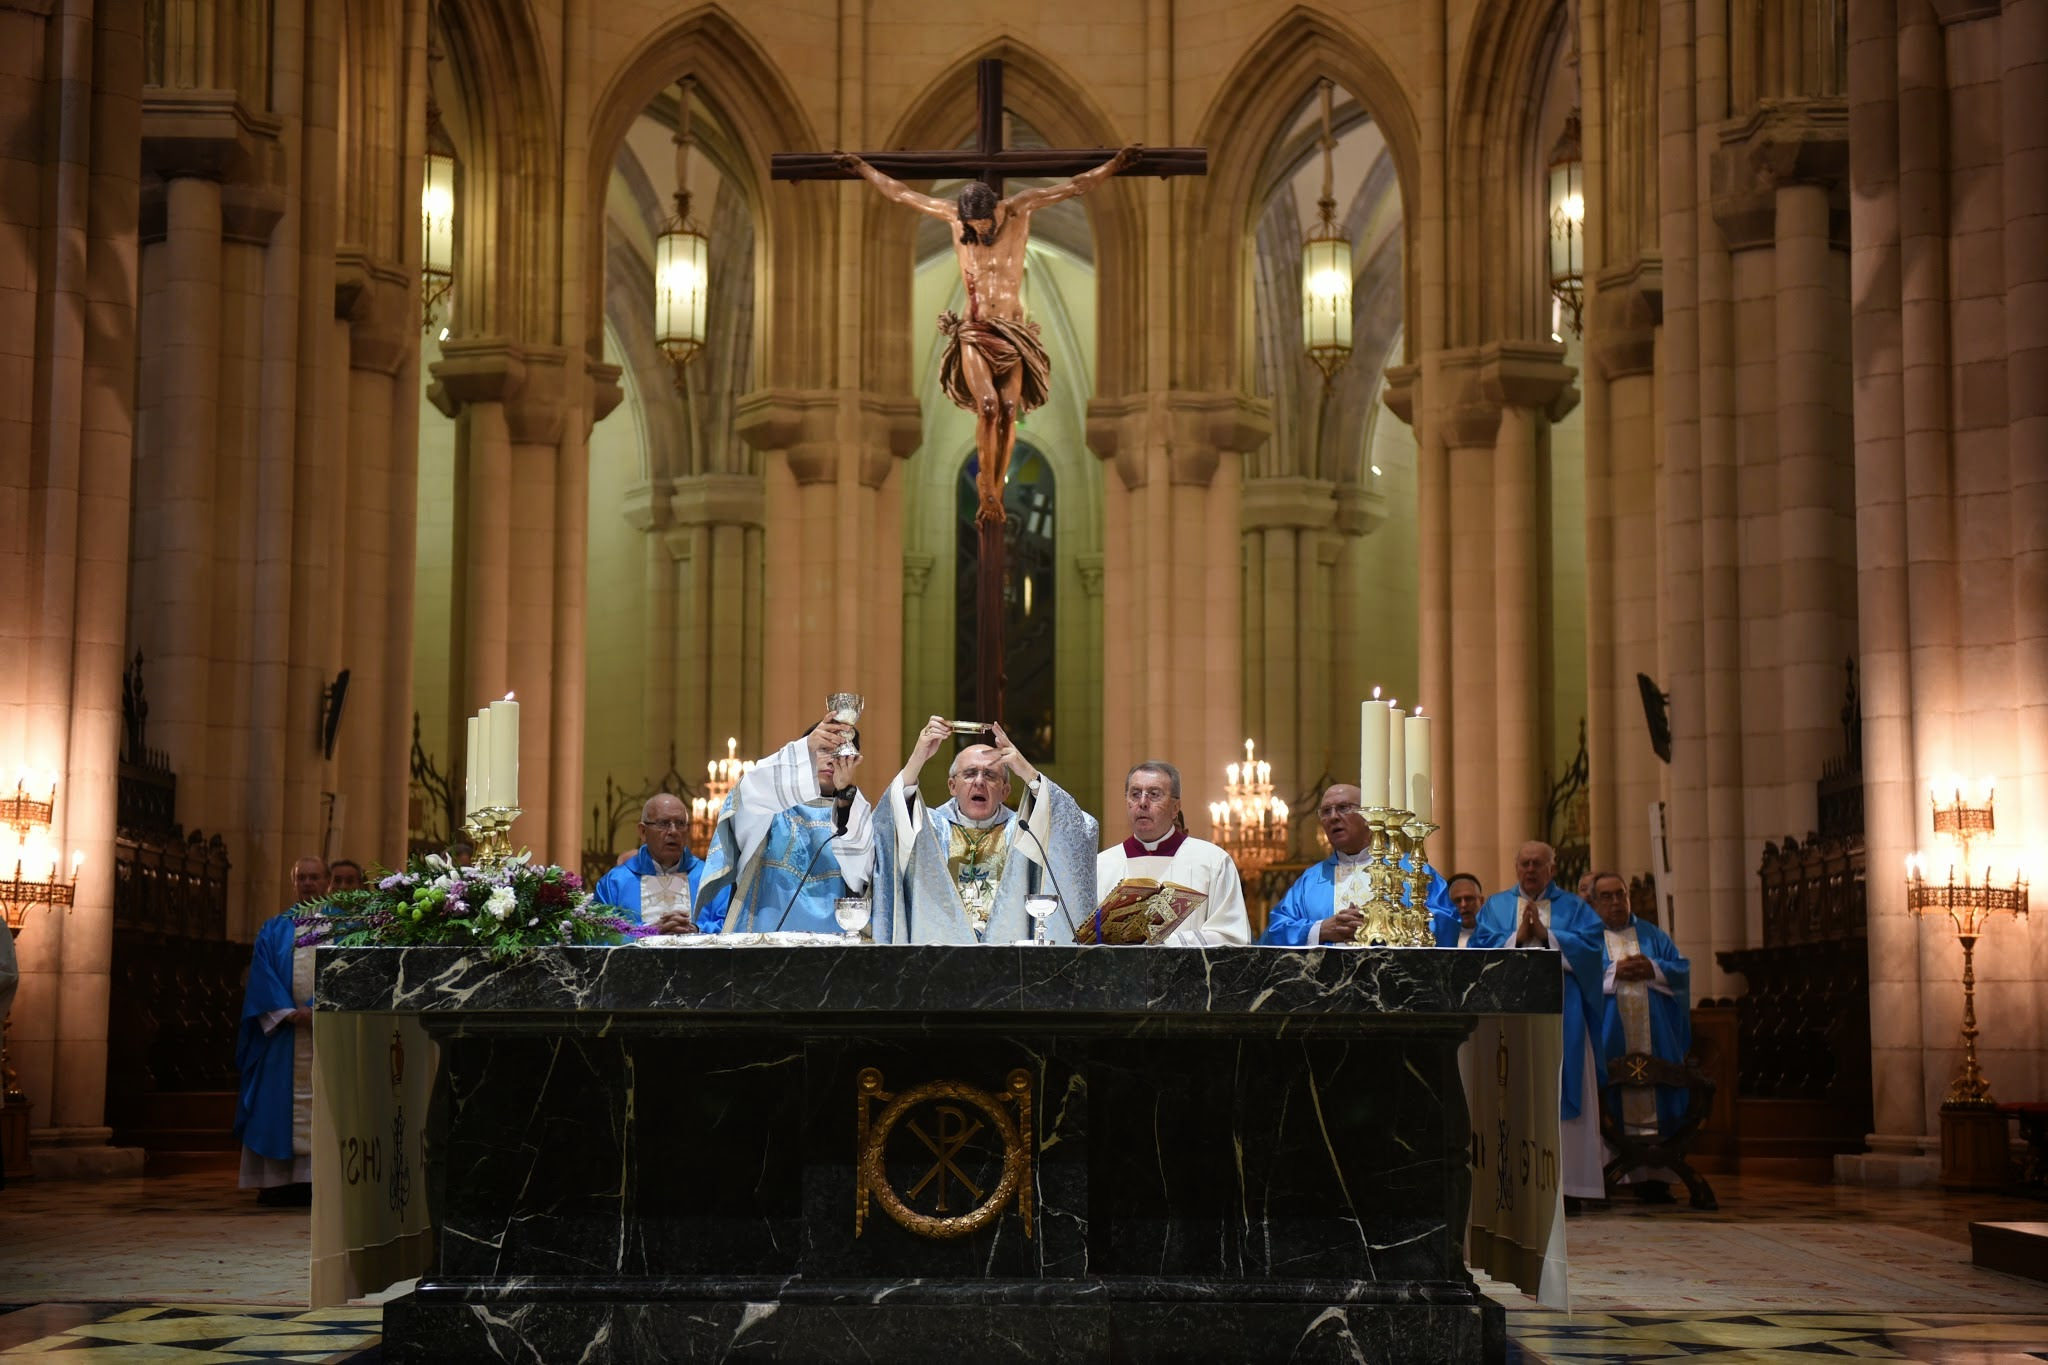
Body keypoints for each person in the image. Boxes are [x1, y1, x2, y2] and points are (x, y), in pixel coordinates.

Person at [837, 145, 1137, 523]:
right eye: (970, 227)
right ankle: (986, 489)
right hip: (975, 329)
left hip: (1012, 332)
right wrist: (863, 169)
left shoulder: (1019, 209)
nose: (975, 233)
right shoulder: (955, 218)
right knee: (989, 407)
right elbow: (903, 194)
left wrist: (1114, 165)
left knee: (1011, 409)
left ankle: (998, 484)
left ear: (992, 211)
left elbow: (1075, 186)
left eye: (980, 226)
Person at [874, 717, 1098, 944]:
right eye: (970, 773)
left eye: (990, 775)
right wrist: (918, 757)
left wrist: (1028, 772)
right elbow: (889, 823)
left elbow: (1076, 830)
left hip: (1009, 960)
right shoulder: (930, 829)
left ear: (1005, 790)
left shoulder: (1023, 830)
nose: (979, 782)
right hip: (939, 960)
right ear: (952, 786)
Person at [1470, 840, 1607, 1207]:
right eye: (1525, 864)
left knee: (1564, 1087)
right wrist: (1517, 937)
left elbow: (1594, 951)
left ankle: (1571, 1187)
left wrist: (1547, 936)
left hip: (1566, 1019)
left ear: (1552, 868)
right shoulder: (1497, 907)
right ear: (1516, 867)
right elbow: (1478, 952)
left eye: (1538, 864)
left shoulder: (1576, 909)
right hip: (1508, 1020)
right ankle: (1511, 1180)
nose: (1530, 870)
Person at [694, 714, 873, 935]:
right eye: (824, 749)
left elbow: (859, 877)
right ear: (805, 755)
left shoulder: (856, 813)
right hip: (764, 941)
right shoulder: (770, 807)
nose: (831, 761)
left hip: (832, 946)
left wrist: (846, 798)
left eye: (841, 755)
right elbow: (750, 791)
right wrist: (805, 746)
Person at [1588, 871, 1693, 1202]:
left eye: (1620, 894)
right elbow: (1577, 976)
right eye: (1606, 896)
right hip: (1609, 1040)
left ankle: (1656, 1179)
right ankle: (1613, 1178)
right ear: (1592, 902)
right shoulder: (1587, 938)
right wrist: (1613, 971)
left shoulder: (1653, 935)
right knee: (1609, 1099)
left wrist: (1654, 969)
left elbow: (1681, 970)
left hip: (1657, 1040)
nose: (1616, 902)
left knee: (1659, 1092)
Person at [234, 854, 327, 1206]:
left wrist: (317, 1009)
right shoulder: (274, 928)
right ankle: (277, 1183)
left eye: (314, 877)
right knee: (274, 1105)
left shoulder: (345, 929)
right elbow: (262, 974)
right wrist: (288, 1012)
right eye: (301, 877)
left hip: (325, 1036)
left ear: (326, 882)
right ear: (294, 882)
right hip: (282, 1033)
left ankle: (320, 1182)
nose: (307, 883)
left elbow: (346, 968)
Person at [1257, 784, 1449, 946]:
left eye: (1343, 808)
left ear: (1369, 818)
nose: (1333, 817)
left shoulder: (1412, 869)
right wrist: (1320, 930)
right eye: (1326, 811)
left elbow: (1446, 920)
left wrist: (1384, 927)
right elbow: (1273, 933)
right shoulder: (1311, 881)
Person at [1094, 761, 1250, 945]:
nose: (1142, 803)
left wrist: (1169, 943)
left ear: (1175, 808)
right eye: (1135, 794)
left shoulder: (1213, 862)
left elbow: (1231, 937)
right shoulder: (1100, 865)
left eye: (1154, 795)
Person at [594, 792, 727, 933]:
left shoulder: (711, 878)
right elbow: (600, 934)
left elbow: (730, 926)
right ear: (643, 832)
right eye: (664, 824)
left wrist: (696, 930)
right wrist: (647, 931)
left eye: (680, 824)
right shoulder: (615, 883)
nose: (673, 831)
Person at [1435, 872, 1485, 947]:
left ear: (1481, 901)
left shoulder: (1496, 934)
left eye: (1469, 899)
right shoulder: (1440, 940)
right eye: (1457, 900)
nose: (1463, 904)